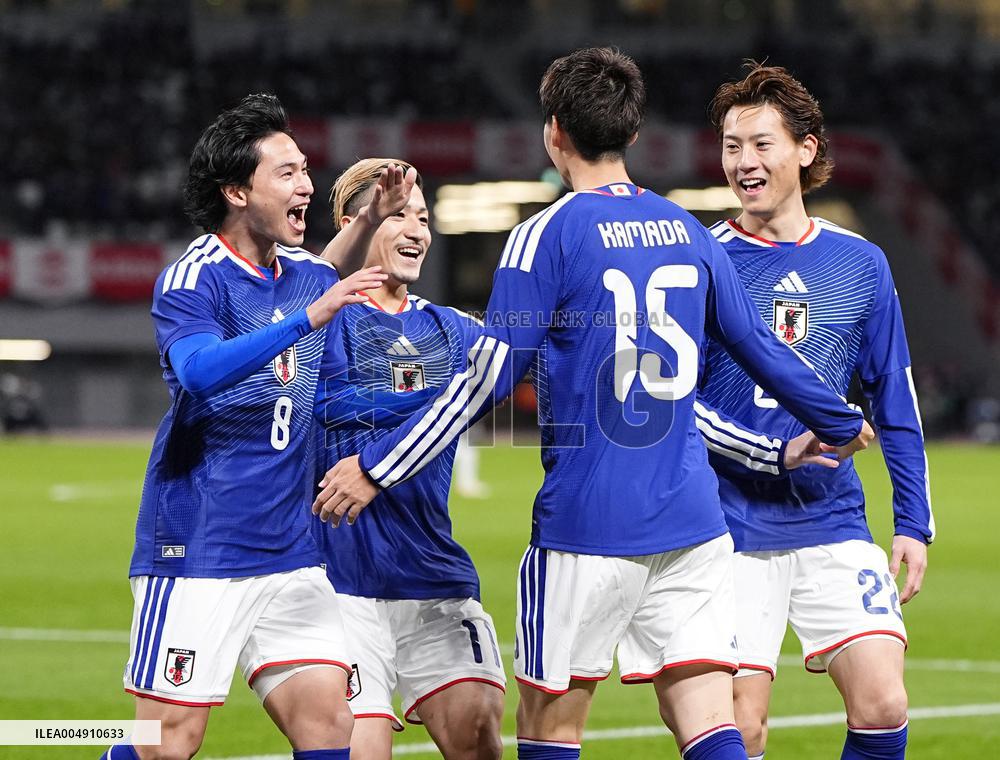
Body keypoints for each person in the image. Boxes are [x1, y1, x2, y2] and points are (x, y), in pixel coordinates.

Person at [313, 48, 874, 760]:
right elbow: (758, 344)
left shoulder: (544, 236)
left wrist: (377, 467)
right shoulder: (692, 235)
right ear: (632, 134)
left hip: (588, 524)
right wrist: (836, 420)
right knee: (709, 724)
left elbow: (489, 377)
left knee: (550, 730)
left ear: (554, 133)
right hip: (693, 525)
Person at [100, 93, 415, 760]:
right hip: (198, 549)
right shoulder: (195, 278)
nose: (306, 184)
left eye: (305, 169)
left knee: (331, 726)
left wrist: (372, 217)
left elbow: (322, 276)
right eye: (287, 173)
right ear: (237, 191)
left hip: (290, 553)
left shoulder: (302, 272)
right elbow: (197, 372)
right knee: (165, 743)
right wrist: (305, 322)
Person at [695, 63, 933, 760]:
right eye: (732, 146)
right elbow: (677, 406)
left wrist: (914, 523)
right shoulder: (703, 260)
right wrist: (771, 452)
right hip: (729, 522)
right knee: (741, 728)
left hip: (832, 518)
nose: (744, 161)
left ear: (806, 148)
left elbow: (894, 398)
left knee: (884, 704)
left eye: (762, 144)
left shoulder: (861, 263)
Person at [311, 157, 506, 760]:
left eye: (423, 217)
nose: (418, 229)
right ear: (356, 222)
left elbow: (524, 367)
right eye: (397, 215)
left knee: (479, 739)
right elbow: (296, 294)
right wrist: (446, 398)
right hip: (340, 584)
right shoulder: (320, 323)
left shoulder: (453, 329)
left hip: (431, 575)